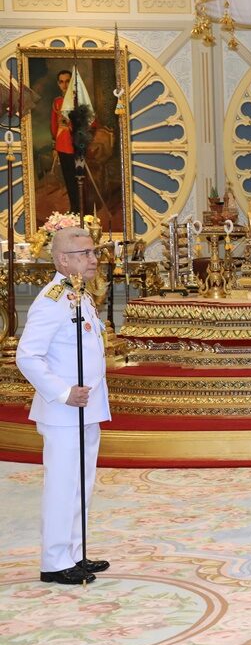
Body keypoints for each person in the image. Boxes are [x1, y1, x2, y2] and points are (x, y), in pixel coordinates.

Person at [16, 227, 111, 585]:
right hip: (63, 410)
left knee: (81, 484)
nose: (93, 259)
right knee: (62, 484)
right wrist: (62, 393)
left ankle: (74, 552)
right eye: (85, 253)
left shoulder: (79, 294)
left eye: (93, 251)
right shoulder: (52, 300)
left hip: (87, 408)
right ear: (62, 260)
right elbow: (28, 356)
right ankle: (55, 561)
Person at [50, 69, 80, 214]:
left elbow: (90, 123)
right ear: (58, 84)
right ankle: (74, 209)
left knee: (79, 179)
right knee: (69, 179)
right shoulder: (57, 102)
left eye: (68, 81)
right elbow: (53, 125)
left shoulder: (79, 101)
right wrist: (54, 146)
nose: (65, 85)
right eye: (61, 82)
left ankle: (81, 209)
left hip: (77, 145)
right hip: (62, 145)